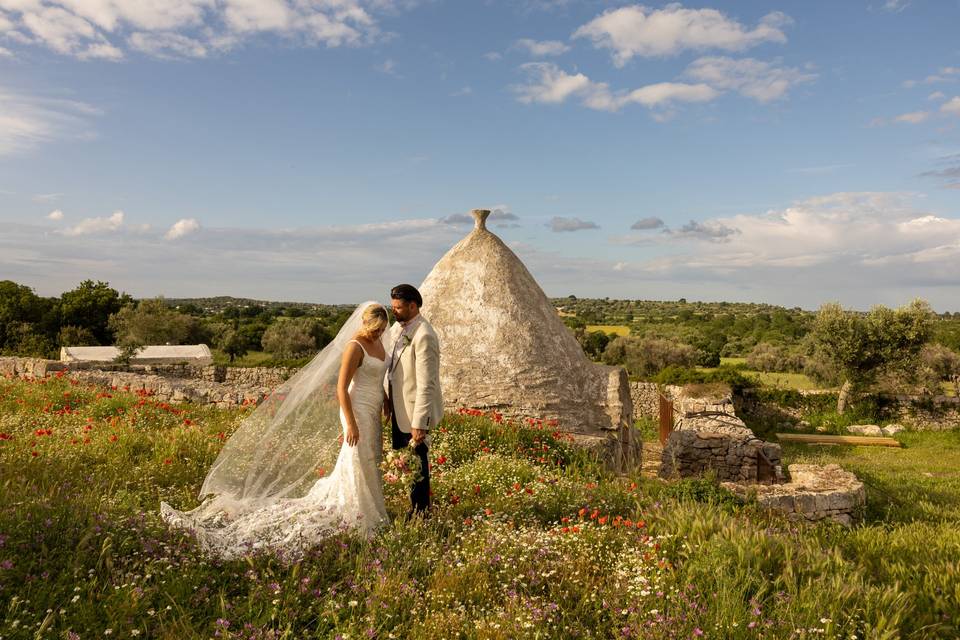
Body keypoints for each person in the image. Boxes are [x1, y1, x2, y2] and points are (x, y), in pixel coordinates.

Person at [160, 302, 390, 560]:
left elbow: (379, 378)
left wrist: (387, 402)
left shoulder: (381, 344)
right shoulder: (355, 345)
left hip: (373, 408)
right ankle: (356, 509)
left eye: (382, 329)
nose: (378, 333)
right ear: (365, 323)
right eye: (375, 329)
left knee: (372, 458)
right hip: (355, 408)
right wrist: (350, 423)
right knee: (357, 457)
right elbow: (340, 388)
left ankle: (370, 506)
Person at [384, 284, 443, 517]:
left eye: (398, 308)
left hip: (413, 412)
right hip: (400, 409)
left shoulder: (424, 335)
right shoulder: (399, 329)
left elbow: (427, 383)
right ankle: (414, 507)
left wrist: (420, 422)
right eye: (393, 307)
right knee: (405, 462)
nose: (394, 312)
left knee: (417, 464)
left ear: (412, 305)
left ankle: (421, 513)